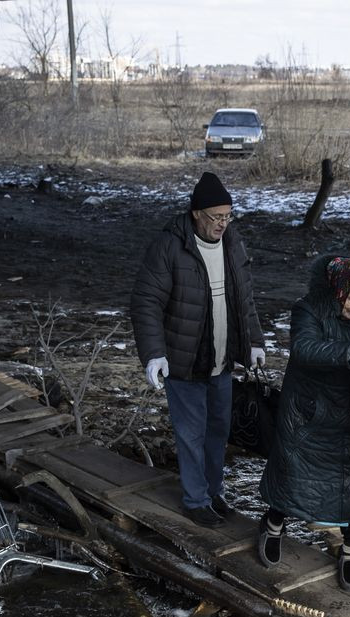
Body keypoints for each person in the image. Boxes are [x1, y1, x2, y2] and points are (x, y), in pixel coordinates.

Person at [257, 255, 350, 589]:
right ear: (336, 291)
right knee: (294, 476)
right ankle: (274, 524)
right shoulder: (309, 309)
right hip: (311, 412)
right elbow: (305, 348)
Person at [131, 172, 265, 528]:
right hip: (185, 360)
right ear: (196, 214)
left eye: (228, 215)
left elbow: (244, 300)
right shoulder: (170, 246)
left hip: (221, 362)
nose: (223, 223)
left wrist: (253, 342)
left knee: (218, 431)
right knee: (191, 433)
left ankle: (213, 493)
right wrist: (154, 354)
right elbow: (146, 302)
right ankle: (195, 500)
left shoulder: (233, 244)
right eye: (216, 216)